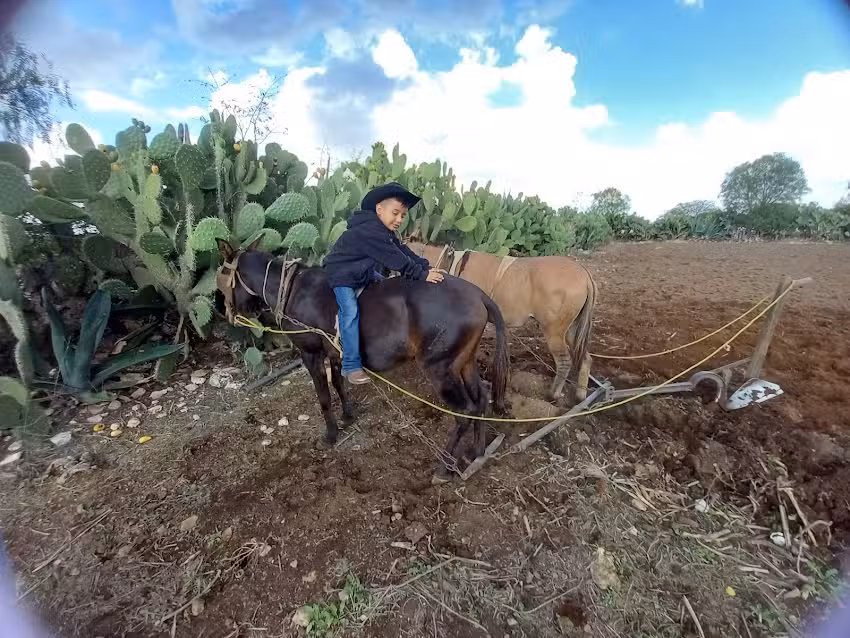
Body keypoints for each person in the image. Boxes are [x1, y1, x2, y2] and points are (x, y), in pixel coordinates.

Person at [323, 182, 445, 384]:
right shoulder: (369, 230)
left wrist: (425, 266)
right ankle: (351, 365)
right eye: (395, 213)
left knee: (388, 287)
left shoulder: (383, 230)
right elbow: (395, 259)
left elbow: (402, 250)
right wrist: (421, 275)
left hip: (362, 272)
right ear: (379, 209)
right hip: (343, 275)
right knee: (350, 311)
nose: (399, 219)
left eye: (403, 216)